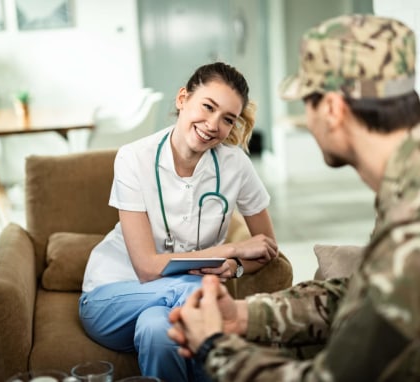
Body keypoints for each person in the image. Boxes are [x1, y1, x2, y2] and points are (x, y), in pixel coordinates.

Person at [167, 14, 420, 381]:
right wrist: (245, 315)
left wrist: (214, 345)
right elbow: (368, 296)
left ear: (332, 109)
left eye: (306, 103)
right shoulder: (415, 180)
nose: (307, 121)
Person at [79, 62, 280, 381]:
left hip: (167, 307)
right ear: (182, 98)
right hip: (113, 294)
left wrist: (236, 266)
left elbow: (266, 249)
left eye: (227, 119)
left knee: (157, 330)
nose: (214, 125)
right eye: (208, 107)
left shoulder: (235, 165)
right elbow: (146, 268)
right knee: (197, 287)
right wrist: (230, 250)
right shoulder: (134, 158)